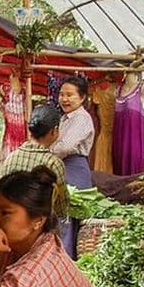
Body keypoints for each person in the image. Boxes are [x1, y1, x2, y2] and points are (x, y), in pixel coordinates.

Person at [1, 104, 69, 232]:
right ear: (54, 131)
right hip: (40, 228)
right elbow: (61, 206)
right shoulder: (53, 163)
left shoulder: (10, 158)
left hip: (11, 226)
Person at [50, 76, 95, 258]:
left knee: (67, 220)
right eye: (61, 94)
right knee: (62, 220)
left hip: (74, 169)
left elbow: (66, 146)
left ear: (82, 97)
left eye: (70, 95)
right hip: (63, 167)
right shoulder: (65, 118)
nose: (64, 99)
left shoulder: (82, 118)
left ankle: (66, 264)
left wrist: (48, 151)